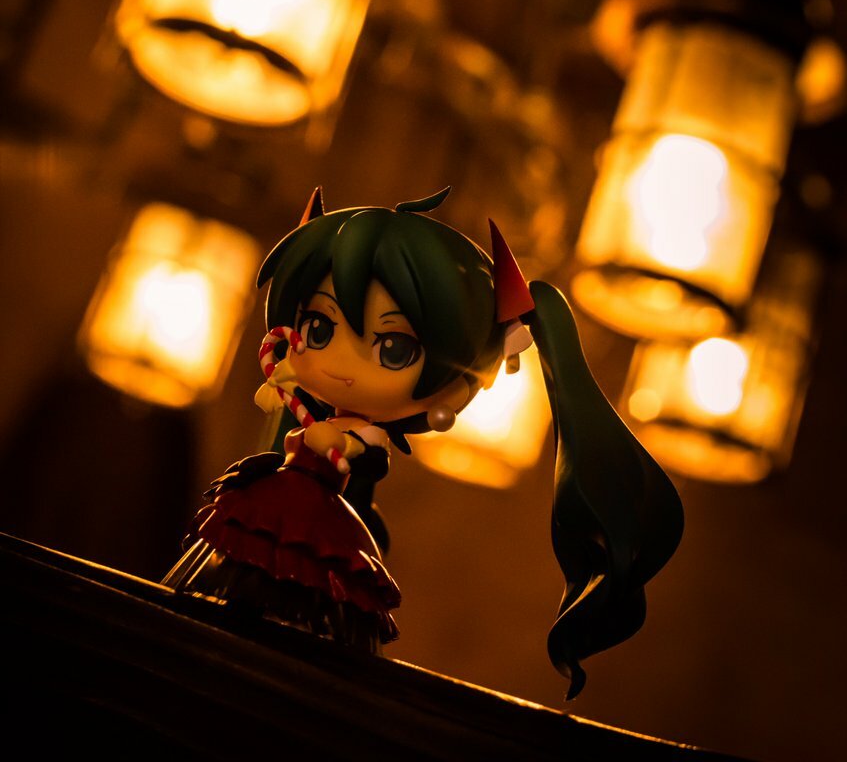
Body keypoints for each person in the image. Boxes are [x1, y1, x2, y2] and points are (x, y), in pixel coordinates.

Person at [164, 186, 683, 697]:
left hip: (321, 526)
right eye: (319, 328)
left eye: (393, 348)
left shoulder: (361, 439)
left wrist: (328, 441)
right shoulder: (304, 417)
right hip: (276, 503)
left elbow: (357, 456)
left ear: (454, 389)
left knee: (298, 644)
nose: (341, 363)